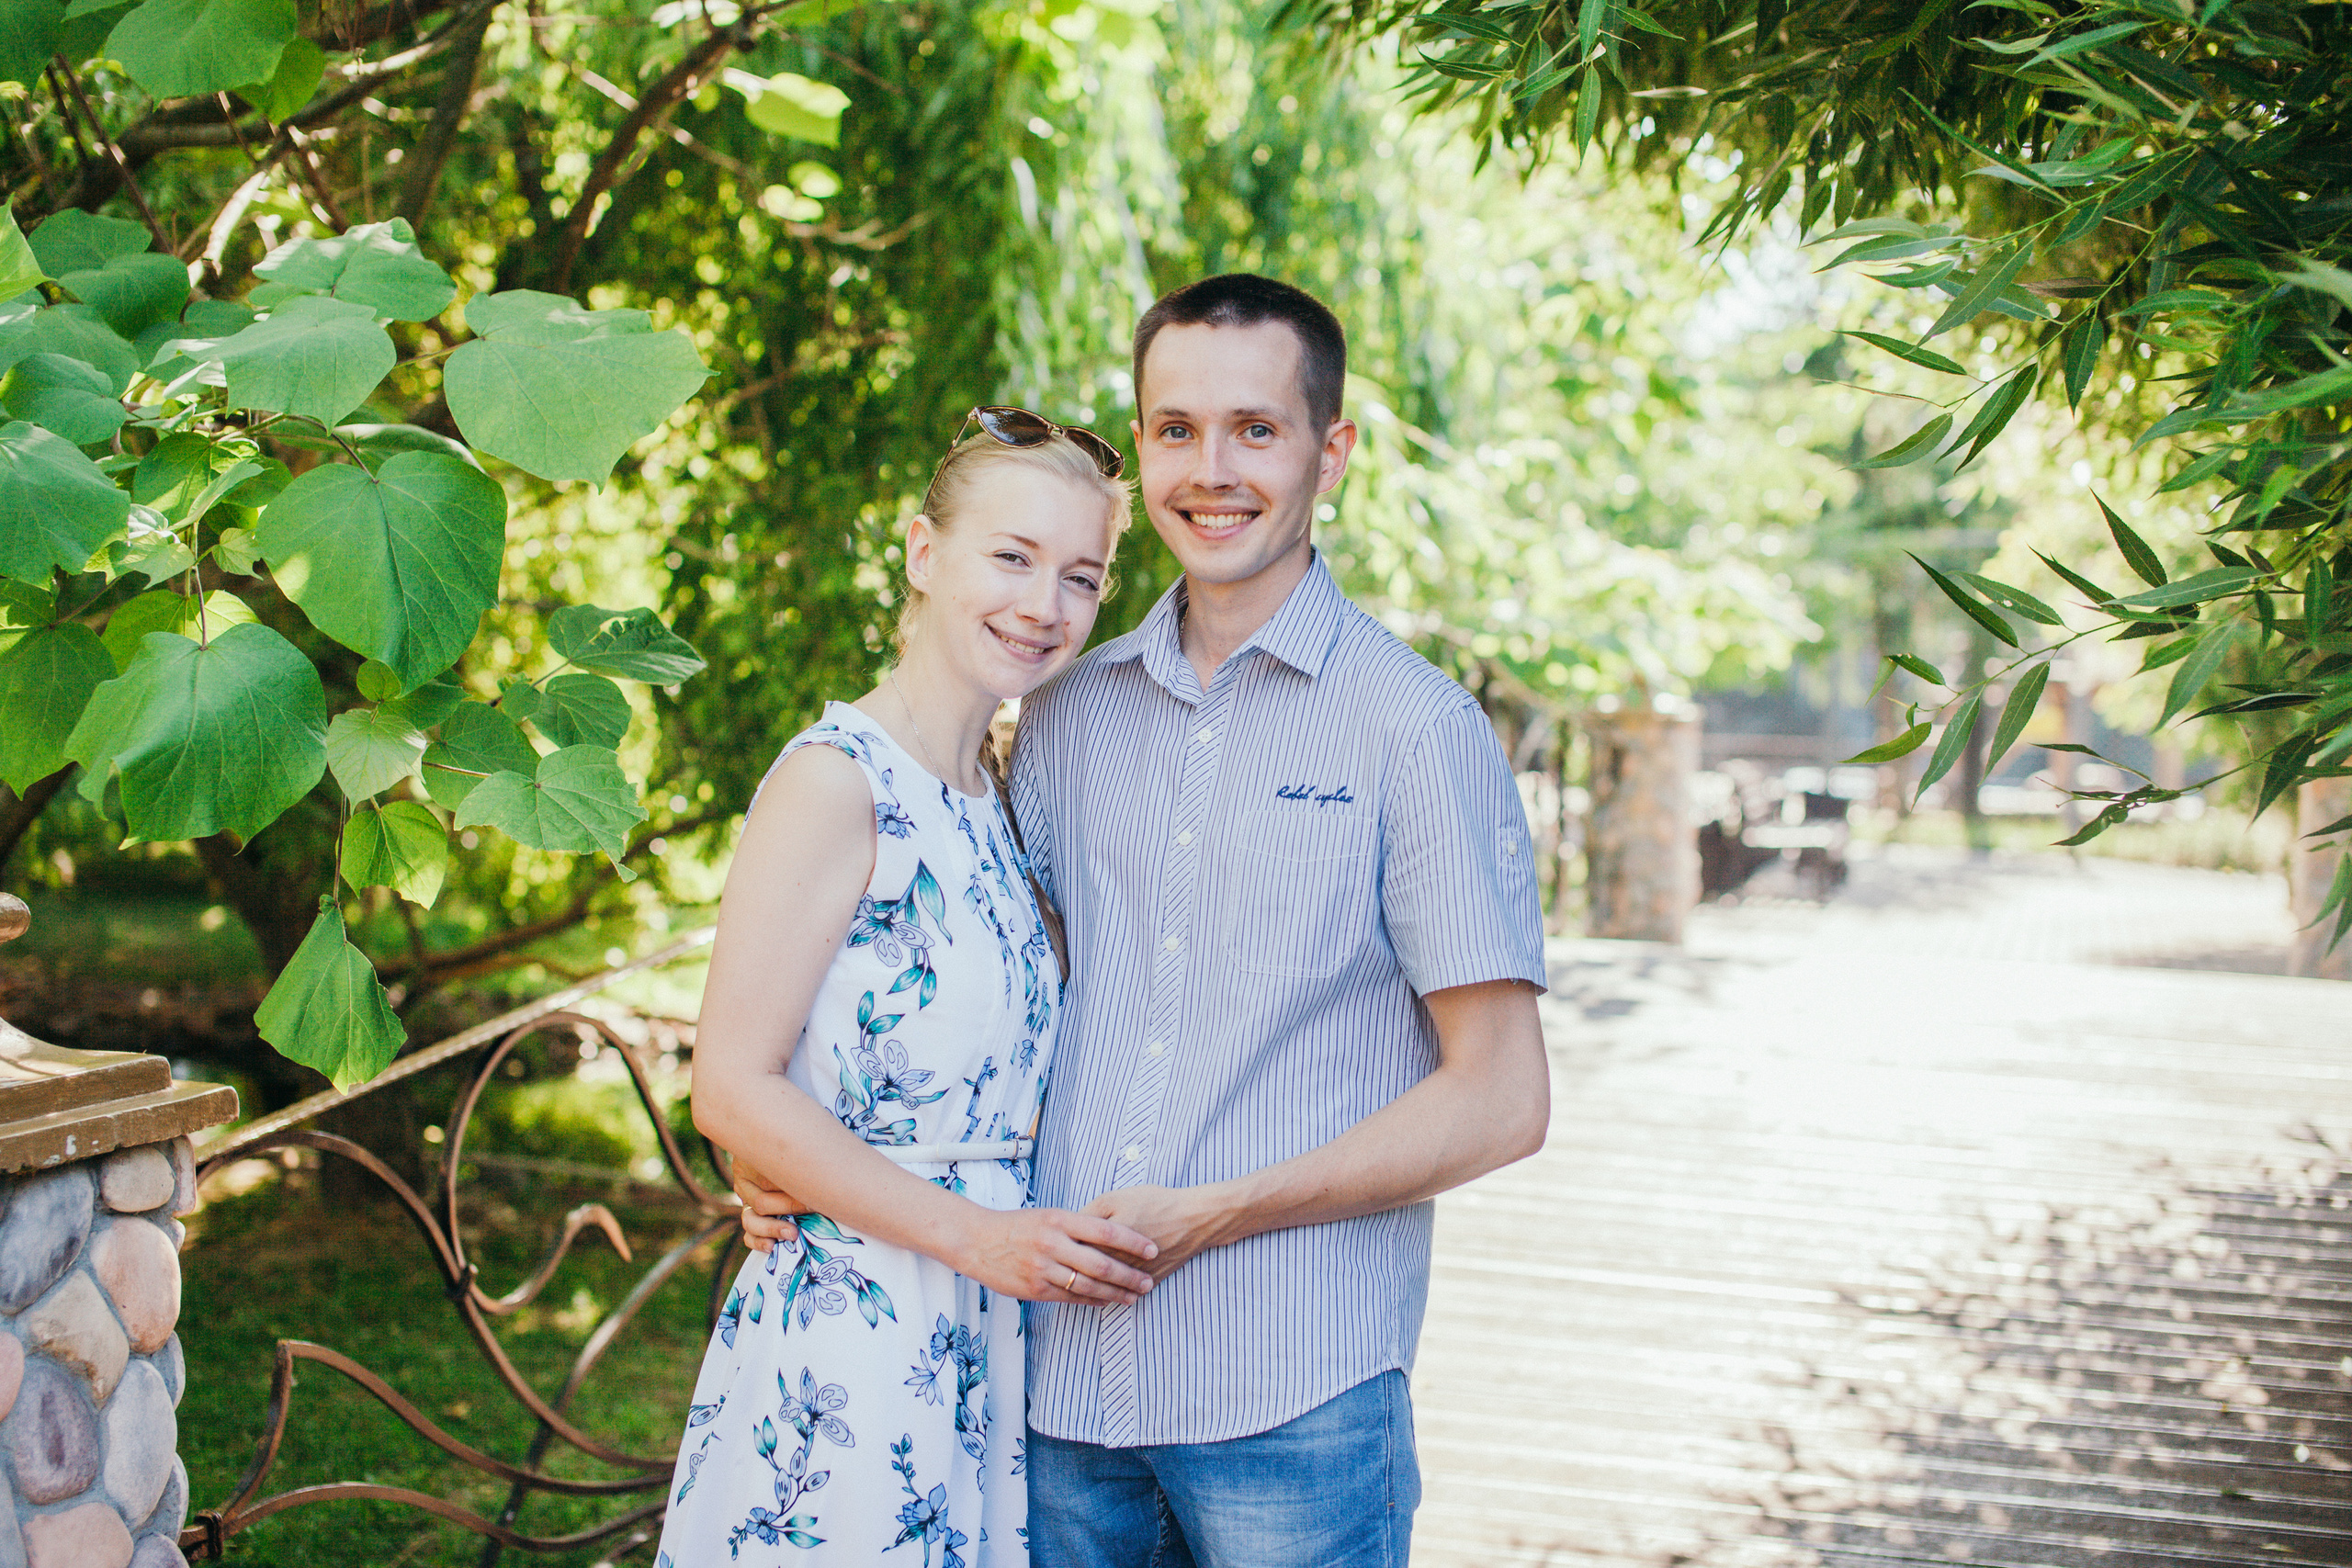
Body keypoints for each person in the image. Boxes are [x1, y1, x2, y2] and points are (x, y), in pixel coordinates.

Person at [741, 274, 1554, 1565]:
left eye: (1256, 429)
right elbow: (1002, 993)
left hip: (1292, 1388)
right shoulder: (1066, 712)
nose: (1211, 470)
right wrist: (806, 1148)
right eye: (1175, 429)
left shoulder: (1417, 729)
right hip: (1054, 1392)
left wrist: (1215, 1210)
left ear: (1330, 451)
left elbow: (1503, 1097)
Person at [655, 409, 1151, 1568]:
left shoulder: (994, 798)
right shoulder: (837, 782)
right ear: (924, 555)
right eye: (1012, 557)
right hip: (853, 1336)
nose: (1043, 606)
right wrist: (978, 1240)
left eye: (1080, 577)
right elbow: (729, 1085)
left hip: (976, 1335)